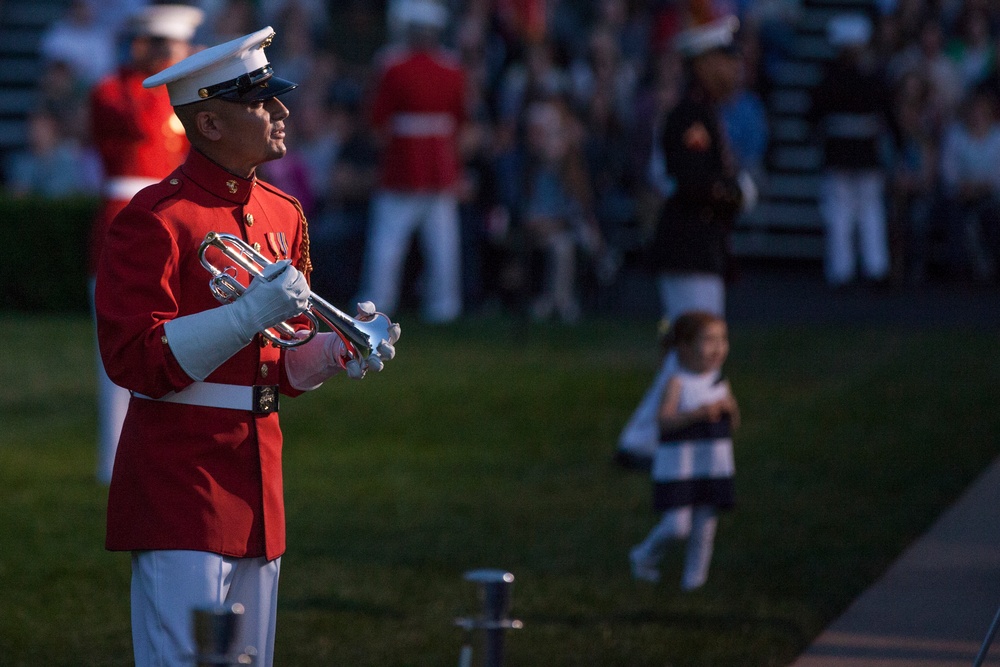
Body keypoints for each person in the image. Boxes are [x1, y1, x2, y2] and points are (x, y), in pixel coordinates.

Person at [94, 27, 399, 667]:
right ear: (208, 121)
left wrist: (326, 353)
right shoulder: (155, 218)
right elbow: (135, 361)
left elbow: (278, 364)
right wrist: (247, 313)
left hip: (258, 477)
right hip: (180, 480)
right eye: (260, 102)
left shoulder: (284, 212)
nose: (281, 112)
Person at [616, 11, 753, 469]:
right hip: (690, 245)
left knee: (691, 348)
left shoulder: (701, 112)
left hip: (697, 246)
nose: (734, 68)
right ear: (704, 62)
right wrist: (735, 193)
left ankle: (649, 438)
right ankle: (648, 438)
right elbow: (694, 180)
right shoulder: (691, 115)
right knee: (697, 349)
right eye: (725, 59)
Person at [88, 4, 205, 484]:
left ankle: (162, 452)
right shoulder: (115, 90)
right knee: (119, 349)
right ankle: (112, 459)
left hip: (171, 220)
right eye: (171, 48)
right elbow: (134, 120)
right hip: (127, 215)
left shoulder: (182, 94)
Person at [355, 0, 467, 323]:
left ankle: (377, 304)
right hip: (439, 164)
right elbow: (460, 119)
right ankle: (444, 306)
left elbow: (377, 117)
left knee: (388, 243)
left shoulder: (392, 65)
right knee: (442, 244)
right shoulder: (452, 67)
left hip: (402, 164)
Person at [629, 311, 739, 591]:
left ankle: (695, 583)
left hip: (711, 464)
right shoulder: (677, 382)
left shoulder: (718, 381)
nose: (718, 348)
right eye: (709, 340)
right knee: (677, 527)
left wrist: (729, 410)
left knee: (705, 528)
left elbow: (733, 422)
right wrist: (699, 414)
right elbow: (664, 422)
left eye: (722, 340)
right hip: (680, 465)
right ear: (686, 347)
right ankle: (643, 555)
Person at [809, 13, 892, 288]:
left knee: (843, 211)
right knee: (865, 211)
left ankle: (845, 269)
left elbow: (813, 113)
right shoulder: (871, 76)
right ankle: (872, 267)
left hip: (841, 151)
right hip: (861, 150)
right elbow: (887, 111)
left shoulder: (829, 76)